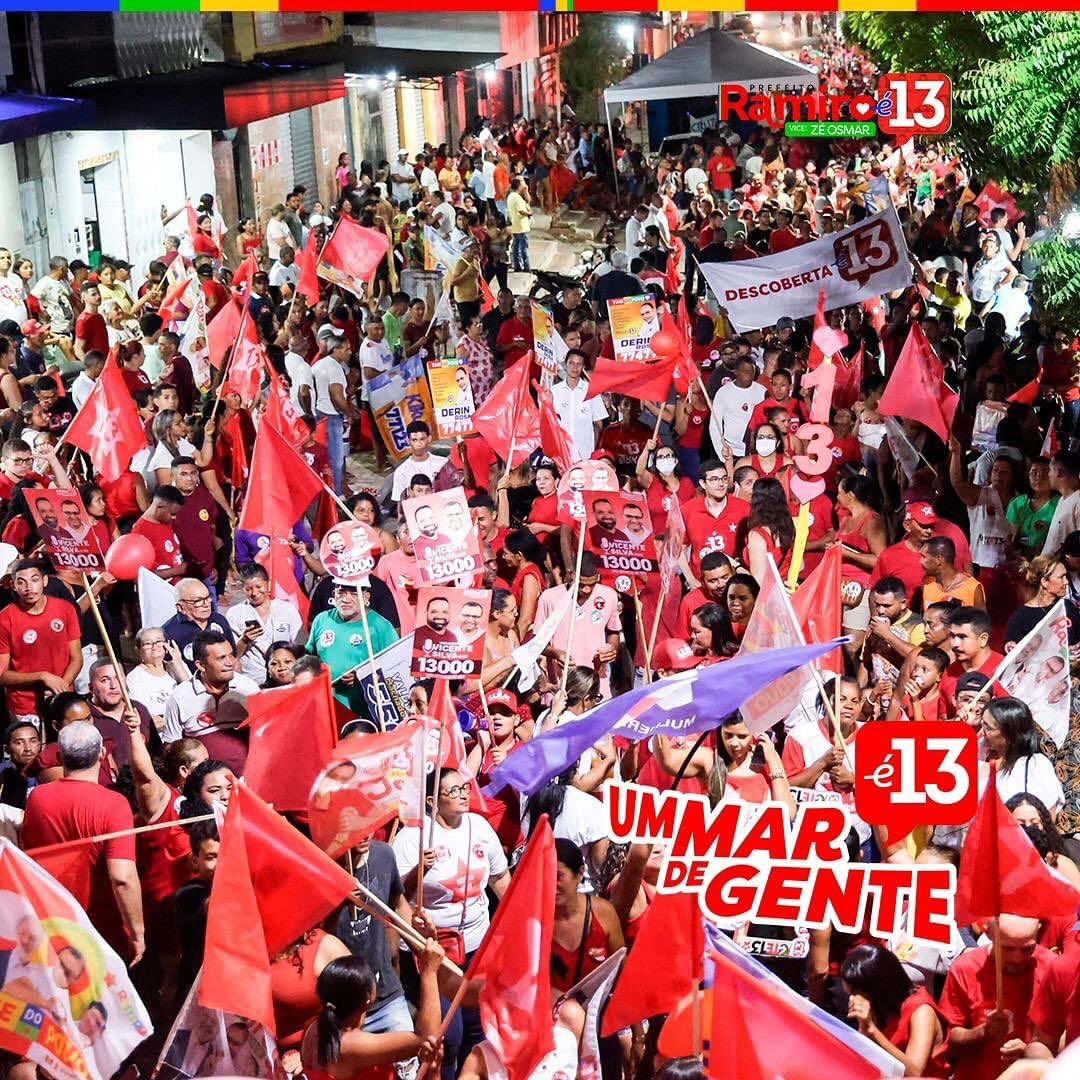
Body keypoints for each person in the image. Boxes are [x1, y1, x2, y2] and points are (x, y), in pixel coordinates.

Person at [393, 769, 508, 1077]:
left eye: (464, 787)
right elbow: (394, 895)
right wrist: (418, 869)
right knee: (447, 1035)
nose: (463, 794)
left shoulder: (479, 826)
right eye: (453, 790)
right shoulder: (411, 838)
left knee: (479, 1027)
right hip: (437, 953)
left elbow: (500, 878)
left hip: (478, 946)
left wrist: (514, 923)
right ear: (432, 801)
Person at [20, 721, 144, 962]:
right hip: (100, 925)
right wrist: (138, 931)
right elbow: (122, 877)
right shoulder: (114, 804)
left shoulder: (38, 797)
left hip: (53, 920)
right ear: (102, 753)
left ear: (59, 756)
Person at [939, 914, 1053, 1080]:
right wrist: (983, 1032)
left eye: (1027, 948)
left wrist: (1032, 1051)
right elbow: (948, 1039)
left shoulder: (1053, 968)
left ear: (1038, 933)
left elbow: (1068, 1036)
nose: (1017, 958)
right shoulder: (965, 968)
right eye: (1007, 948)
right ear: (989, 935)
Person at [840, 943, 949, 1077]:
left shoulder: (921, 1011)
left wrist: (871, 1031)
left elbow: (914, 1072)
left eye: (856, 992)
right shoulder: (879, 1007)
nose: (852, 999)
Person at [162, 630, 260, 773]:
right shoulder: (179, 697)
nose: (230, 663)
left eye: (231, 655)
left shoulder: (248, 688)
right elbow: (171, 749)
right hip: (204, 785)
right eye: (221, 658)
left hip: (250, 776)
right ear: (201, 665)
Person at [0, 559, 81, 730]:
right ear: (13, 586)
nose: (29, 587)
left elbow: (76, 658)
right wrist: (42, 676)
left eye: (34, 580)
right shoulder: (4, 619)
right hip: (24, 707)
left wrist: (60, 688)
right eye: (21, 582)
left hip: (62, 699)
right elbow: (2, 675)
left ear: (44, 581)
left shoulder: (65, 609)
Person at [306, 580, 397, 730]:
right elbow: (309, 659)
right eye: (341, 592)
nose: (346, 599)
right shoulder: (321, 620)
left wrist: (362, 676)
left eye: (354, 593)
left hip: (366, 715)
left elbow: (395, 670)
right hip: (326, 711)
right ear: (333, 595)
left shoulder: (381, 627)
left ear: (366, 597)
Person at [549, 839, 624, 993]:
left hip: (596, 1012)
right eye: (545, 875)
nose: (551, 883)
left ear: (580, 873)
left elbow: (622, 969)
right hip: (549, 1013)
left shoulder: (603, 913)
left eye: (558, 876)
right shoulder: (534, 920)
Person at [979, 697, 1064, 813]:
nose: (982, 731)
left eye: (988, 728)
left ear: (1010, 735)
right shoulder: (976, 748)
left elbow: (1046, 819)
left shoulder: (1036, 766)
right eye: (982, 723)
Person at [225, 563, 303, 682]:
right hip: (252, 679)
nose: (254, 593)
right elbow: (231, 656)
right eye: (248, 589)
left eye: (258, 587)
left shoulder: (287, 609)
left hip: (285, 678)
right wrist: (244, 640)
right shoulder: (235, 614)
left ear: (268, 584)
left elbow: (299, 647)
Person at [126, 626, 190, 728]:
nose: (154, 646)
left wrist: (179, 667)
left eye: (159, 641)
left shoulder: (178, 665)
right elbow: (147, 714)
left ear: (167, 645)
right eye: (148, 643)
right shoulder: (134, 677)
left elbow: (193, 697)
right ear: (138, 650)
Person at [162, 577, 235, 662]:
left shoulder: (219, 619)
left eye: (208, 597)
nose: (206, 604)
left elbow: (233, 656)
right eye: (198, 601)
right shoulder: (169, 633)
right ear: (180, 607)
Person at [551, 350, 606, 462]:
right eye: (571, 363)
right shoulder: (554, 391)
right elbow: (550, 424)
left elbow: (598, 425)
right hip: (561, 456)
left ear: (583, 367)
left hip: (585, 455)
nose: (574, 367)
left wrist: (592, 452)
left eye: (579, 364)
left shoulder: (591, 390)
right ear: (566, 364)